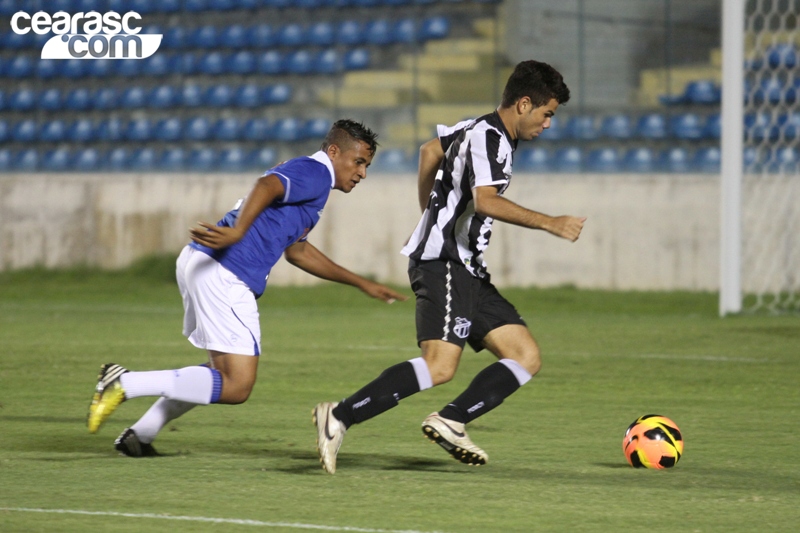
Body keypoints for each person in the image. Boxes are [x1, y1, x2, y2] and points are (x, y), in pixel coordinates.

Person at [313, 60, 586, 474]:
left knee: (524, 355)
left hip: (468, 268)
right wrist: (551, 222)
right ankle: (340, 416)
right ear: (524, 104)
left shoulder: (478, 128)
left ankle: (452, 419)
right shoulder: (491, 138)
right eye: (547, 114)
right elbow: (487, 201)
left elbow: (429, 151)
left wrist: (430, 210)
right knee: (440, 365)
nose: (548, 124)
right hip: (444, 263)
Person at [87, 119, 407, 457]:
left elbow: (297, 251)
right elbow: (267, 184)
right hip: (225, 272)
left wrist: (361, 283)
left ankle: (140, 435)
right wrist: (239, 231)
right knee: (237, 385)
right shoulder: (315, 172)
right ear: (333, 151)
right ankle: (124, 383)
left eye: (367, 166)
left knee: (220, 375)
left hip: (207, 265)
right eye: (358, 162)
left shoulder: (312, 188)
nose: (362, 174)